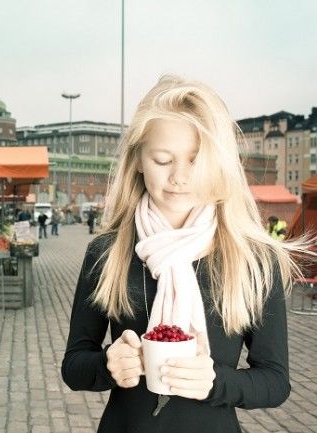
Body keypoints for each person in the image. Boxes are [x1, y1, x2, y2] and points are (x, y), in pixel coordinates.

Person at [61, 75, 312, 433]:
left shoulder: (254, 259)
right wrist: (107, 365)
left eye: (196, 160)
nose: (180, 177)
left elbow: (275, 382)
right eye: (163, 160)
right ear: (138, 161)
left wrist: (215, 382)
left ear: (219, 164)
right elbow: (74, 366)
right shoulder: (107, 252)